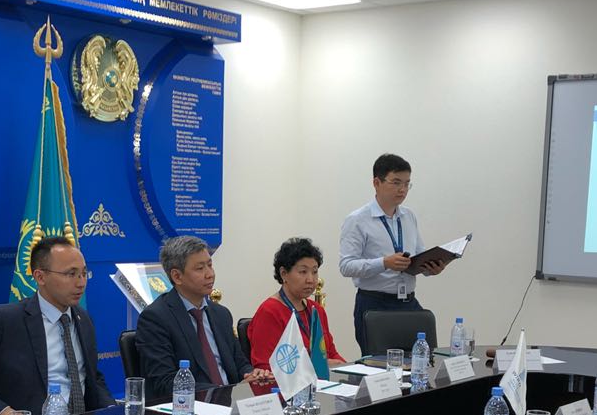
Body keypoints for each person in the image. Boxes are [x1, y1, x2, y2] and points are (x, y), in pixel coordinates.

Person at [0, 237, 112, 415]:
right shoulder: (4, 321)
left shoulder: (83, 319)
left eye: (84, 273)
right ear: (40, 277)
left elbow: (90, 377)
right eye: (71, 274)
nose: (81, 283)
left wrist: (114, 414)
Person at [136, 236, 272, 397]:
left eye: (210, 265)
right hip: (190, 407)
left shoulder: (221, 314)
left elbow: (240, 363)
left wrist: (251, 374)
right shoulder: (155, 318)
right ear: (177, 276)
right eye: (200, 268)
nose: (210, 274)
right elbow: (164, 381)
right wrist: (220, 392)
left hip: (229, 402)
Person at [339, 153, 447, 355]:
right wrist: (384, 263)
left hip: (408, 302)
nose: (402, 189)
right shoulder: (357, 220)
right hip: (375, 304)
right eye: (396, 182)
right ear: (376, 183)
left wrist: (430, 267)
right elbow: (346, 266)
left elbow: (419, 254)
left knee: (423, 360)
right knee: (378, 366)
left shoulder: (408, 216)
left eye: (407, 184)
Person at [249, 237, 345, 375]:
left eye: (314, 271)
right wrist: (315, 367)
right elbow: (265, 368)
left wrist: (348, 369)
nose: (311, 279)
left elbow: (331, 353)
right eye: (303, 272)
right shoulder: (269, 312)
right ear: (284, 274)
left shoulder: (316, 310)